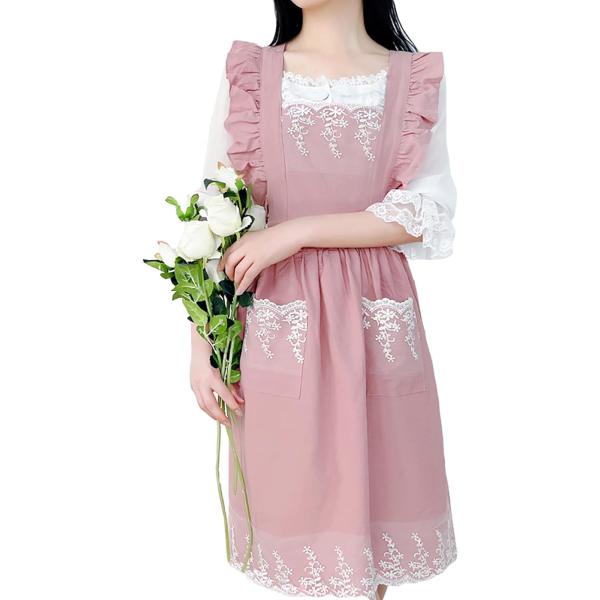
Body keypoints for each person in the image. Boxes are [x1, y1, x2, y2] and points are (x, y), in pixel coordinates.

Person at [190, 1, 458, 598]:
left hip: (375, 326)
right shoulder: (252, 77)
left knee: (376, 523)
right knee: (298, 522)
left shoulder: (412, 80)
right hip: (277, 326)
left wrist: (297, 231)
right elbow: (214, 220)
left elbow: (426, 213)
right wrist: (202, 347)